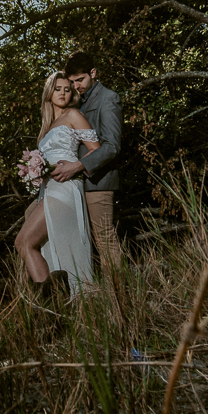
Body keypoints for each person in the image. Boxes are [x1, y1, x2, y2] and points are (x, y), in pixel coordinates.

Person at [15, 72, 102, 300]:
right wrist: (33, 172)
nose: (63, 93)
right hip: (48, 189)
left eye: (67, 89)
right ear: (49, 93)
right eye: (58, 89)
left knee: (24, 242)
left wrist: (74, 166)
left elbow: (96, 149)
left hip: (65, 187)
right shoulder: (46, 128)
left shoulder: (73, 115)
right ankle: (58, 299)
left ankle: (53, 300)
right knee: (41, 246)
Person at [51, 52, 124, 269]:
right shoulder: (77, 101)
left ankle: (120, 288)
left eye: (80, 80)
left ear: (93, 73)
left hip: (99, 182)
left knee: (105, 238)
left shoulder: (108, 98)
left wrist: (78, 166)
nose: (76, 86)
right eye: (72, 82)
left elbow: (112, 146)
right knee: (87, 240)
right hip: (78, 183)